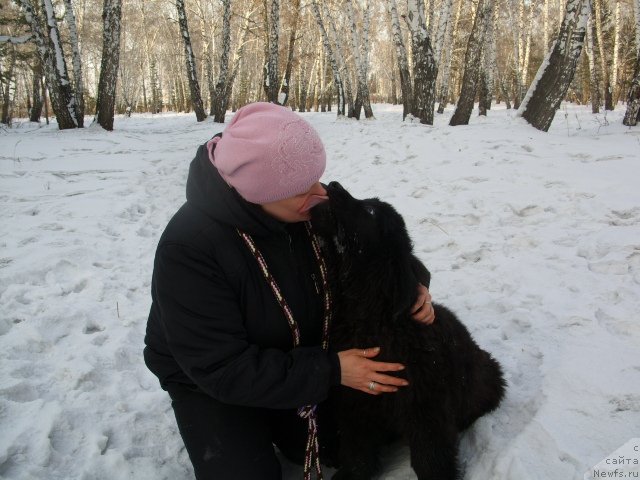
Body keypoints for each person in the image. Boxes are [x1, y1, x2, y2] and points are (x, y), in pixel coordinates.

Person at [143, 102, 435, 480]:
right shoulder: (190, 249)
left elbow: (376, 249)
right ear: (259, 192)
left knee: (342, 445)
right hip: (212, 378)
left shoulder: (303, 203)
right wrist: (331, 370)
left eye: (318, 178)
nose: (320, 193)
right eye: (303, 187)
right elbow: (220, 367)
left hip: (296, 351)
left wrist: (413, 284)